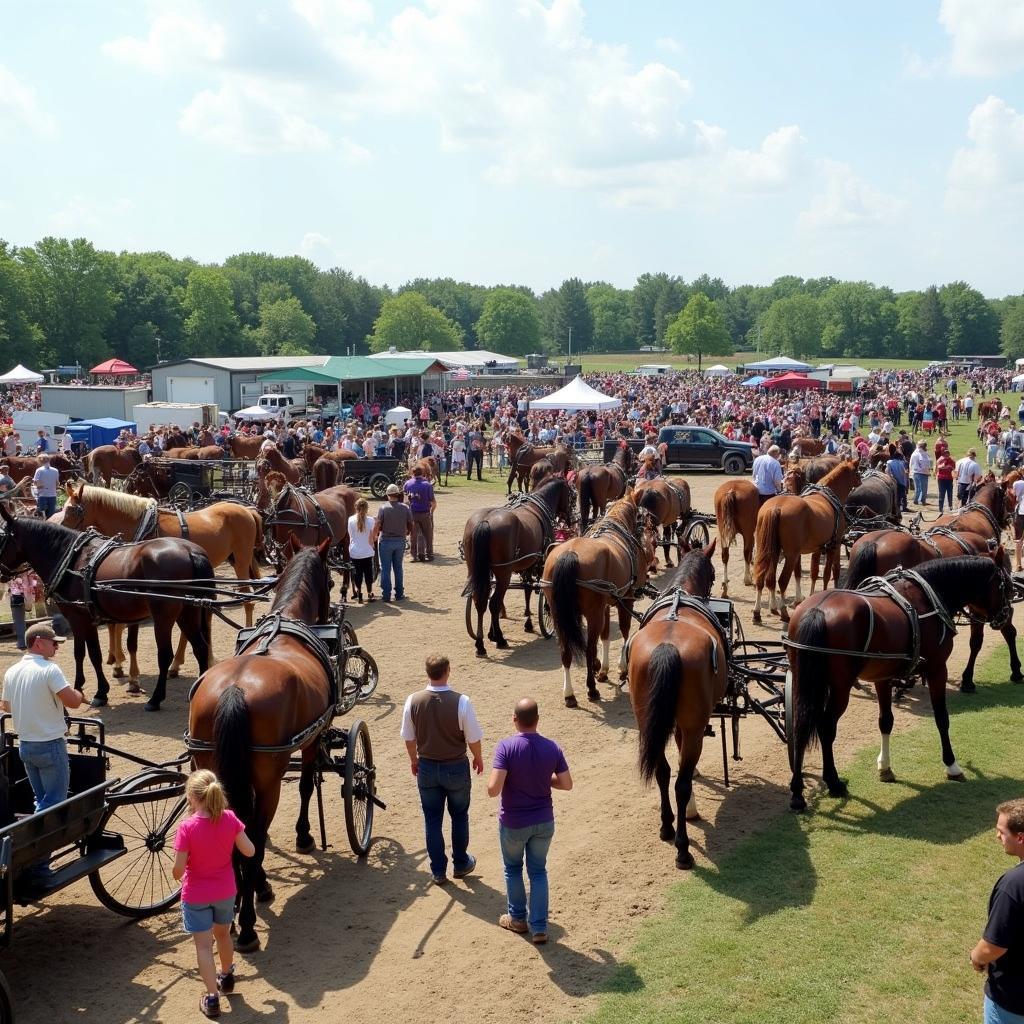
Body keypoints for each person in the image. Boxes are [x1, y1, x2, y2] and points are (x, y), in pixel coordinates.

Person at [487, 698, 572, 945]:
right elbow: (567, 784)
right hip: (544, 821)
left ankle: (517, 919)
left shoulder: (505, 747)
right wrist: (546, 781)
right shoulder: (552, 747)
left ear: (515, 720)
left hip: (514, 822)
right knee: (538, 871)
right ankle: (540, 927)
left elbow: (494, 789)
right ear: (537, 719)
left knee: (513, 869)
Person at [172, 769, 255, 1020]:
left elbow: (177, 871)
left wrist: (184, 872)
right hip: (225, 891)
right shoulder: (229, 819)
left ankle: (211, 997)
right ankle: (227, 973)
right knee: (223, 935)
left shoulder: (186, 828)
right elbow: (250, 851)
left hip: (196, 894)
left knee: (204, 946)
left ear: (191, 797)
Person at [400, 655, 484, 885]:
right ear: (448, 670)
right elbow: (473, 737)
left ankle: (438, 870)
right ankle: (460, 863)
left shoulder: (413, 701)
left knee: (432, 819)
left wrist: (413, 759)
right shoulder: (462, 701)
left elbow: (408, 737)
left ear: (427, 672)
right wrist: (478, 757)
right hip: (456, 767)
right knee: (459, 815)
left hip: (427, 767)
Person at [0, 623, 82, 813]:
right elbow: (72, 702)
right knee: (54, 803)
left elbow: (7, 706)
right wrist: (79, 694)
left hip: (26, 746)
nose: (56, 647)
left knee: (42, 799)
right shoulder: (50, 669)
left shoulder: (12, 671)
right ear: (38, 643)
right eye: (53, 643)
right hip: (50, 745)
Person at [972, 798, 1024, 1024]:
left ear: (1020, 837)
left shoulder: (1014, 885)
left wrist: (976, 957)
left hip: (1013, 1002)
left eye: (1001, 832)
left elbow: (993, 946)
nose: (997, 837)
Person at [369, 484, 413, 603]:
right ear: (398, 494)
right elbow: (410, 523)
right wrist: (407, 532)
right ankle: (399, 593)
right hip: (400, 541)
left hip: (386, 541)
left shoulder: (383, 508)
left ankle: (386, 595)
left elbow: (377, 524)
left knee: (385, 568)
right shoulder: (405, 507)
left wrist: (373, 536)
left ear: (388, 495)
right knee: (398, 567)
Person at [404, 464, 437, 562]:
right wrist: (431, 512)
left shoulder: (407, 484)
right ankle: (429, 554)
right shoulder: (427, 485)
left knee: (413, 535)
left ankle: (414, 555)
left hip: (413, 513)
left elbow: (405, 501)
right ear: (422, 473)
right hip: (425, 513)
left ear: (412, 473)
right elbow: (433, 502)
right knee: (428, 535)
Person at [347, 498, 377, 603]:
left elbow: (350, 535)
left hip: (355, 551)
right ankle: (369, 593)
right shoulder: (371, 520)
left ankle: (359, 593)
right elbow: (373, 536)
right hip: (367, 550)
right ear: (367, 508)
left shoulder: (350, 519)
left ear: (356, 508)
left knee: (357, 573)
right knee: (368, 573)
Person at [32, 453, 59, 519]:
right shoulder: (55, 470)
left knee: (42, 515)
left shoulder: (39, 470)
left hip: (43, 495)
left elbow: (35, 482)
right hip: (53, 495)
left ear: (40, 461)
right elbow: (57, 483)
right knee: (51, 516)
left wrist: (39, 486)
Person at [884, 447, 909, 514]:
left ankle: (897, 508)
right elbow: (905, 472)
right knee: (903, 495)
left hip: (894, 481)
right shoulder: (902, 463)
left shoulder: (889, 463)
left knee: (896, 495)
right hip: (902, 481)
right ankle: (904, 507)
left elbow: (887, 472)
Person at [909, 440, 932, 505]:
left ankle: (916, 500)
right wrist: (927, 471)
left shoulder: (914, 453)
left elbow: (911, 463)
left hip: (915, 472)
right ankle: (922, 501)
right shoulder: (922, 454)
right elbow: (924, 464)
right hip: (922, 473)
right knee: (923, 489)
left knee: (917, 488)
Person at [936, 447, 956, 515]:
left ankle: (950, 507)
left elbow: (953, 467)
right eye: (945, 454)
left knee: (950, 494)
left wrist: (949, 467)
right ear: (943, 454)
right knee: (942, 494)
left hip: (949, 479)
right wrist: (944, 465)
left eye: (948, 454)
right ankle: (940, 508)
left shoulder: (951, 460)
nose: (946, 455)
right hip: (941, 479)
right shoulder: (940, 459)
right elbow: (938, 467)